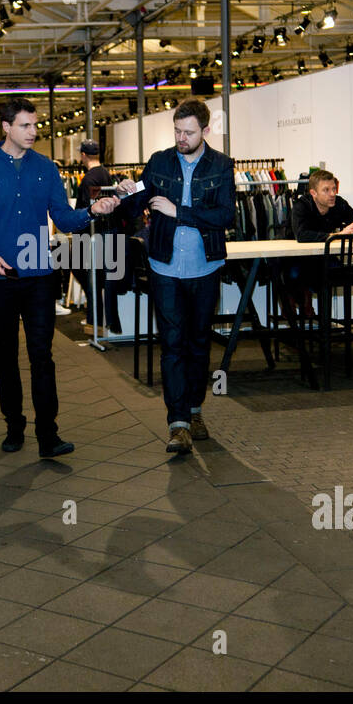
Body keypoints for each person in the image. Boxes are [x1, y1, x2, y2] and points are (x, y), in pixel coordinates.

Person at [0, 96, 120, 458]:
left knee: (42, 355)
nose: (33, 132)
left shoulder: (46, 169)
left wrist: (93, 210)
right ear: (6, 127)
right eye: (25, 126)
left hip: (41, 275)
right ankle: (14, 426)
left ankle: (48, 434)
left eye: (35, 125)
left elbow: (62, 218)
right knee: (5, 356)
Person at [116, 99, 235, 454]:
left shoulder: (222, 166)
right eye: (177, 131)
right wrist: (128, 194)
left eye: (188, 132)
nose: (181, 138)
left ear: (205, 130)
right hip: (164, 266)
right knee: (172, 344)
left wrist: (179, 211)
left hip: (205, 267)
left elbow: (226, 216)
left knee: (198, 343)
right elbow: (139, 204)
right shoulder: (159, 161)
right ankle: (178, 422)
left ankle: (195, 409)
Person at [73, 139, 118, 334]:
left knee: (87, 274)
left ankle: (95, 322)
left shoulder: (89, 179)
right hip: (104, 232)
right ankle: (96, 320)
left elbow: (87, 210)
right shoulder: (105, 174)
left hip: (91, 234)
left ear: (83, 155)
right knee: (96, 277)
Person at [290, 169, 353, 241]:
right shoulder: (301, 206)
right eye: (326, 190)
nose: (332, 194)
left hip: (325, 250)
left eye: (334, 189)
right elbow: (302, 235)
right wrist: (339, 235)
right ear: (313, 193)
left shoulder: (339, 203)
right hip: (293, 251)